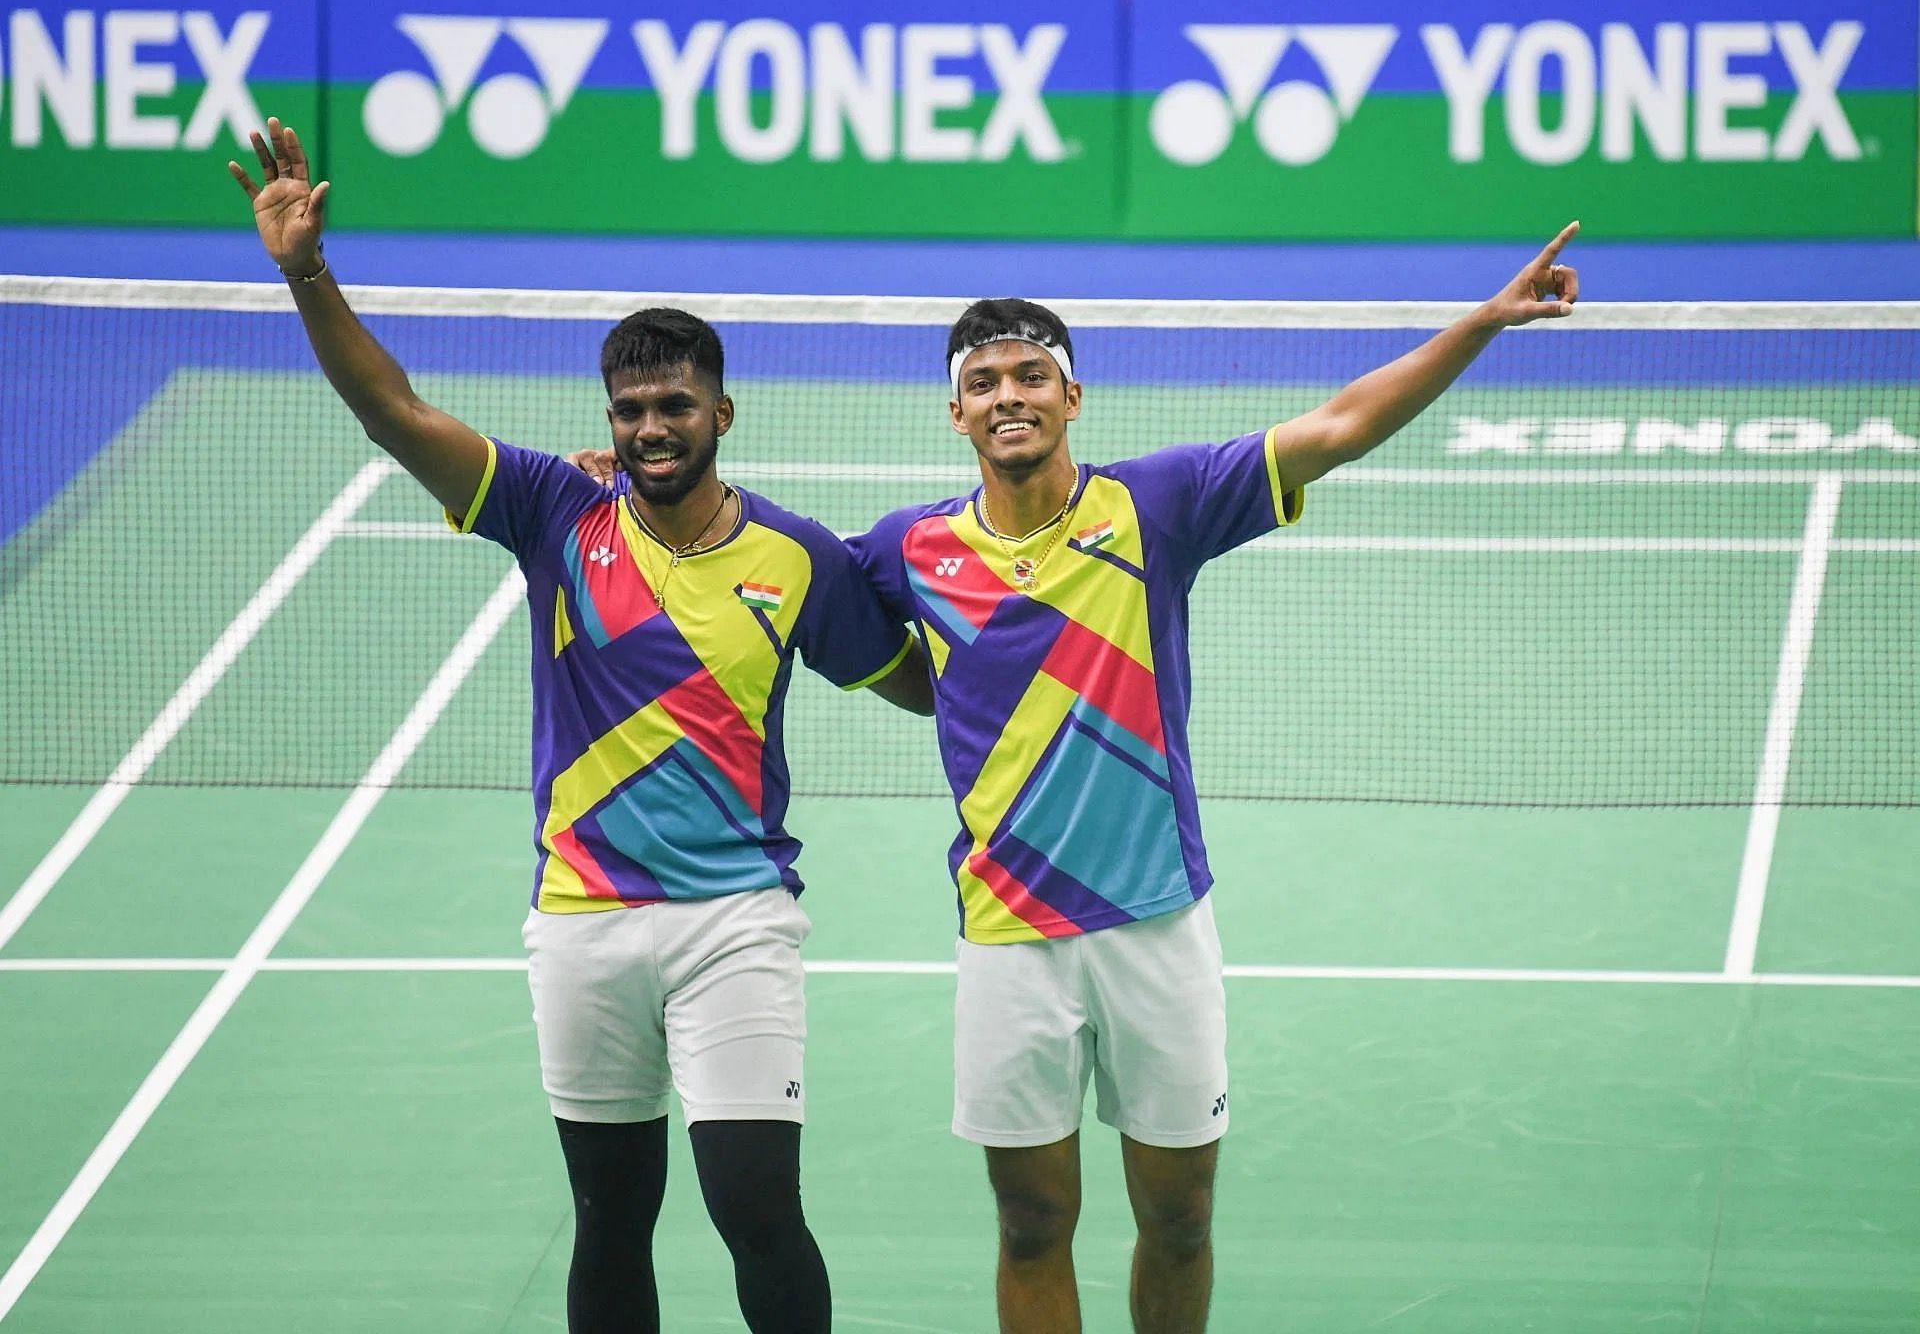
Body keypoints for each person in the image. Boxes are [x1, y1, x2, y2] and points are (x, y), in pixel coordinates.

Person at [229, 117, 933, 1334]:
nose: (649, 429)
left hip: (735, 921)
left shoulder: (797, 558)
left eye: (673, 405)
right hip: (584, 919)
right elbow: (393, 410)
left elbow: (917, 683)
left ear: (724, 412)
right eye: (628, 410)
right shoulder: (556, 513)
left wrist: (1012, 629)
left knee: (756, 1207)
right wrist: (306, 271)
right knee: (610, 1214)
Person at [842, 229, 1581, 1333]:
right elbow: (772, 579)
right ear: (956, 413)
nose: (1009, 396)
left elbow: (1340, 426)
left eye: (1031, 375)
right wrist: (611, 495)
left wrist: (1480, 321)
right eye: (983, 382)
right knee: (1031, 1223)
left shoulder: (1158, 503)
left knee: (1180, 1216)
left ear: (1073, 395)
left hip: (1156, 923)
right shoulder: (908, 550)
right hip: (1009, 932)